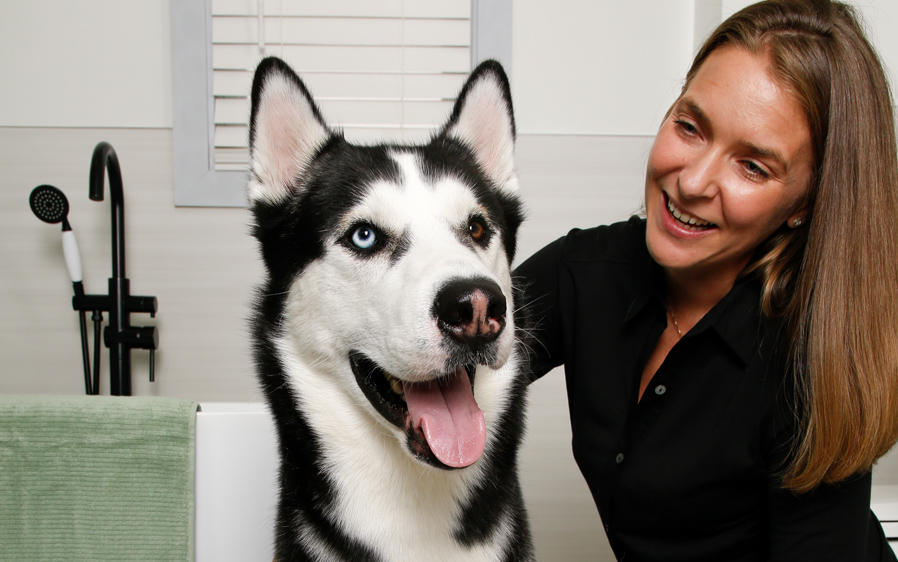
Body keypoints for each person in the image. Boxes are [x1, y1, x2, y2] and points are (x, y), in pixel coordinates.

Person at [515, 0, 898, 559]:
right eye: (690, 126)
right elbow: (432, 366)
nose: (693, 182)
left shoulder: (810, 365)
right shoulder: (584, 272)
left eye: (753, 166)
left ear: (805, 204)